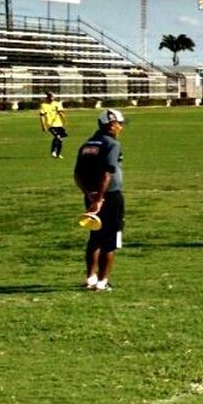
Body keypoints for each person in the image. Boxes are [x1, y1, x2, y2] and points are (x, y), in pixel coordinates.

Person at [73, 109, 126, 291]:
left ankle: (90, 278)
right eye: (119, 123)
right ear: (111, 125)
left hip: (91, 196)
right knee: (110, 240)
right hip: (109, 197)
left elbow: (77, 174)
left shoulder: (86, 144)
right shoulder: (111, 144)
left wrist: (89, 194)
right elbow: (107, 173)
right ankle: (103, 282)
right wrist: (100, 198)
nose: (121, 127)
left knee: (94, 237)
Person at [39, 91, 69, 158]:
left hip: (59, 124)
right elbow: (42, 116)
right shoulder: (43, 105)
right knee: (58, 138)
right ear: (47, 97)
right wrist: (43, 125)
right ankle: (53, 152)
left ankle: (58, 154)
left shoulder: (57, 104)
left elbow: (61, 112)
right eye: (50, 97)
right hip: (50, 125)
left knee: (59, 139)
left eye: (53, 96)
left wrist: (64, 118)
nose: (52, 98)